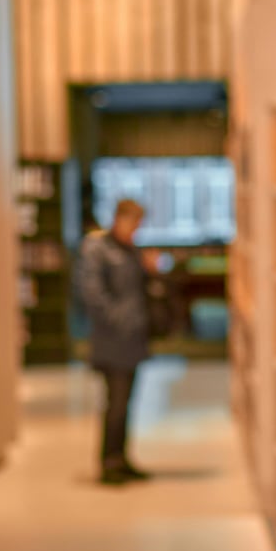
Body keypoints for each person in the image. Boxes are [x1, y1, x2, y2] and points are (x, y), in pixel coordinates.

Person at [79, 199, 152, 486]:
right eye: (132, 223)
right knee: (115, 403)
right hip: (112, 341)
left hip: (133, 338)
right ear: (119, 219)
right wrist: (119, 319)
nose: (134, 231)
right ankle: (108, 462)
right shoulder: (97, 250)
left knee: (127, 402)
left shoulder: (130, 251)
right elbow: (92, 294)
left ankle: (121, 457)